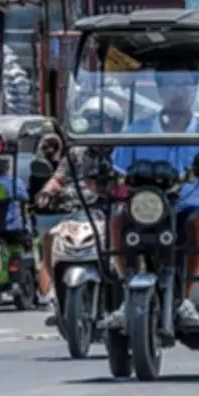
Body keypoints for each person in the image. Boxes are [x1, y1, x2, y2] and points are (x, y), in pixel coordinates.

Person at [103, 71, 199, 328]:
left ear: (193, 91)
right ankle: (126, 291)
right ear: (160, 91)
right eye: (171, 85)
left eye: (184, 85)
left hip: (191, 207)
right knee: (117, 220)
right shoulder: (138, 131)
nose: (178, 92)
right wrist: (105, 178)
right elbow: (116, 173)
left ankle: (186, 298)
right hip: (148, 208)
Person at [35, 97, 124, 315]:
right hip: (78, 212)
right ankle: (51, 291)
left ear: (114, 125)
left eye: (100, 121)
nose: (94, 125)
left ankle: (126, 285)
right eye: (90, 120)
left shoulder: (121, 151)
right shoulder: (76, 151)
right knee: (50, 236)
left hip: (111, 212)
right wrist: (47, 192)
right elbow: (59, 178)